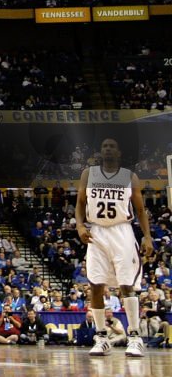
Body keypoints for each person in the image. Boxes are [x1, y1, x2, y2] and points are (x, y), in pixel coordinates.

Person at [76, 138, 152, 358]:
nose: (107, 149)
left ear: (118, 152)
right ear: (100, 151)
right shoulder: (88, 174)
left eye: (111, 146)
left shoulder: (129, 176)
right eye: (104, 146)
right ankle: (101, 337)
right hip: (97, 231)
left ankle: (135, 337)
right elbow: (80, 204)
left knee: (127, 285)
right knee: (96, 285)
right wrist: (80, 225)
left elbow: (140, 209)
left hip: (122, 231)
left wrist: (147, 236)